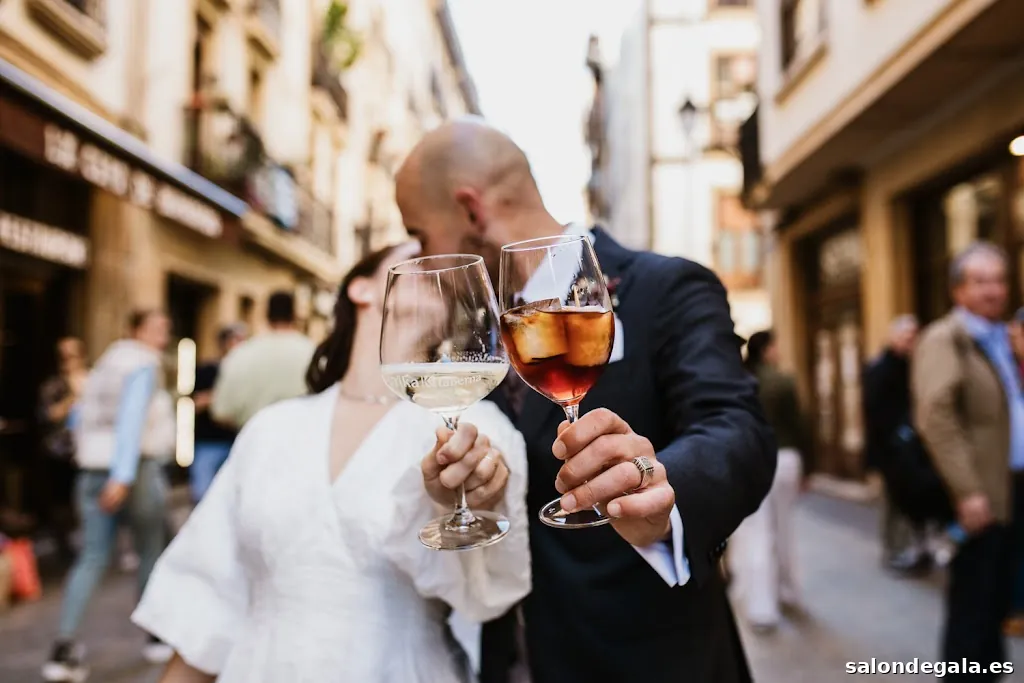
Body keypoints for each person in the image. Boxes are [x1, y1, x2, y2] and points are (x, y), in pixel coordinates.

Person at [395, 118, 776, 683]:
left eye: (421, 235)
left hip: (649, 660)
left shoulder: (664, 287)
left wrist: (659, 492)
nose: (422, 256)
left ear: (471, 210)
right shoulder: (470, 331)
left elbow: (736, 428)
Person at [131, 243, 531, 682]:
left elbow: (491, 588)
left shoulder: (473, 419)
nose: (436, 264)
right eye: (418, 251)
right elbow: (210, 603)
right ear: (361, 288)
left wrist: (480, 497)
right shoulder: (272, 427)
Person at [44, 311, 177, 682]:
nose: (162, 338)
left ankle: (64, 646)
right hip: (133, 470)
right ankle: (155, 634)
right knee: (150, 550)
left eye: (165, 330)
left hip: (91, 468)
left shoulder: (105, 364)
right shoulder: (141, 364)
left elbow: (80, 418)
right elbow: (132, 419)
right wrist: (123, 475)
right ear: (135, 331)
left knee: (92, 556)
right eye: (156, 330)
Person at [913, 242, 1022, 681]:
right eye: (980, 282)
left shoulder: (998, 337)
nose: (993, 290)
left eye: (999, 280)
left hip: (1008, 490)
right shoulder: (947, 339)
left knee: (995, 605)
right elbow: (935, 417)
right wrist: (968, 491)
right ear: (958, 290)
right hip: (979, 496)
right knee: (973, 610)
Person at [729, 329, 808, 633]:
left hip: (751, 458)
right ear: (767, 350)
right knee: (784, 529)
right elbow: (800, 425)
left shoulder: (739, 381)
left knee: (757, 532)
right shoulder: (782, 381)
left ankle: (762, 608)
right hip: (785, 458)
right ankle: (788, 592)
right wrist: (809, 467)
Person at [863, 315, 934, 574]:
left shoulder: (914, 365)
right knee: (894, 501)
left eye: (914, 337)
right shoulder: (880, 368)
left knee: (912, 498)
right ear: (894, 337)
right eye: (906, 336)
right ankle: (895, 549)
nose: (910, 342)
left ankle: (915, 548)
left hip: (911, 448)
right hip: (891, 449)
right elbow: (875, 415)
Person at [211, 291, 315, 430]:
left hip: (252, 436)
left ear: (266, 315)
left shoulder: (242, 353)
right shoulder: (312, 353)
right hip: (302, 436)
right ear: (294, 315)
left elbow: (222, 413)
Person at [37, 337, 90, 558]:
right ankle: (65, 549)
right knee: (62, 503)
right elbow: (49, 414)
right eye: (63, 356)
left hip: (89, 452)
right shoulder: (54, 385)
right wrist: (73, 396)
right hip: (61, 452)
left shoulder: (94, 380)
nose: (68, 360)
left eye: (72, 355)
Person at [189, 324, 247, 503]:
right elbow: (195, 402)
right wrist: (218, 398)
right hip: (208, 442)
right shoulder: (207, 370)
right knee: (202, 494)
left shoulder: (245, 372)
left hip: (234, 441)